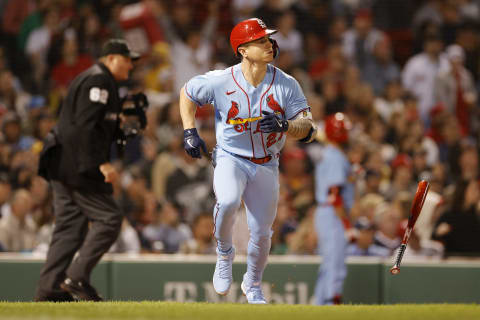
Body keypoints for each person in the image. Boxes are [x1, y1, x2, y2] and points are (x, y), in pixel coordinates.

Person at [179, 18, 317, 304]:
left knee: (262, 231)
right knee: (228, 202)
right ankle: (224, 254)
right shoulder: (221, 79)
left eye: (268, 39)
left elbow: (309, 128)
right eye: (261, 40)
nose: (269, 44)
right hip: (231, 156)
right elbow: (187, 93)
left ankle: (253, 284)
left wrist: (287, 126)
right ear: (242, 49)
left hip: (267, 162)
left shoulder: (286, 83)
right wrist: (189, 130)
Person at [34, 39, 140, 302]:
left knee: (70, 227)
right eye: (127, 59)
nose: (131, 64)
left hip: (63, 162)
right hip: (75, 163)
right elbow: (84, 126)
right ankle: (77, 277)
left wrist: (119, 125)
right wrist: (99, 163)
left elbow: (91, 123)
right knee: (110, 218)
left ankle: (49, 289)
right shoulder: (98, 80)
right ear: (112, 58)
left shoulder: (104, 82)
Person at [313, 112, 354, 305]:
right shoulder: (335, 156)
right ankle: (331, 301)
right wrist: (347, 225)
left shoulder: (329, 153)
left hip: (325, 212)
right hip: (332, 213)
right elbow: (335, 194)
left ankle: (320, 303)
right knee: (335, 262)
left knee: (329, 262)